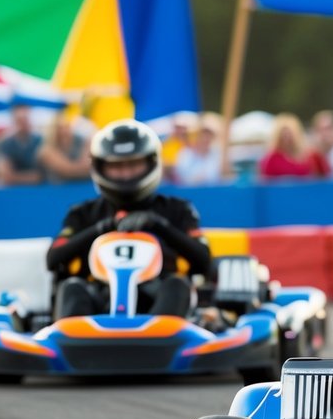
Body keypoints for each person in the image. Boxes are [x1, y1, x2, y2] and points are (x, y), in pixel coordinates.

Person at [46, 118, 212, 320]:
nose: (125, 173)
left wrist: (158, 226)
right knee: (72, 287)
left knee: (178, 285)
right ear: (100, 167)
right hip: (98, 306)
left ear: (151, 163)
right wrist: (103, 229)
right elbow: (53, 259)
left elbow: (204, 260)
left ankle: (157, 338)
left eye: (133, 164)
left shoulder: (177, 210)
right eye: (116, 166)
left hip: (157, 304)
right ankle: (75, 338)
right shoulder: (83, 213)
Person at [258, 113, 329, 180]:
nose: (287, 139)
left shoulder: (310, 156)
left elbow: (326, 175)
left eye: (289, 134)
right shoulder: (271, 159)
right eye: (283, 135)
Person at [0, 104, 44, 186]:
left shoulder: (39, 141)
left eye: (26, 119)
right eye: (20, 120)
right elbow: (5, 175)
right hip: (14, 188)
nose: (24, 123)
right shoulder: (7, 143)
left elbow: (39, 176)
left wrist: (14, 177)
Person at [37, 112, 92, 184]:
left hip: (80, 187)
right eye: (60, 128)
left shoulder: (79, 142)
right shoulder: (46, 151)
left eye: (67, 127)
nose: (64, 131)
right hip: (54, 189)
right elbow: (69, 171)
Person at [174, 114, 225, 186]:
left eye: (209, 134)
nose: (206, 138)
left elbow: (224, 177)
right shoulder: (185, 154)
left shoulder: (218, 154)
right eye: (203, 134)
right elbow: (180, 178)